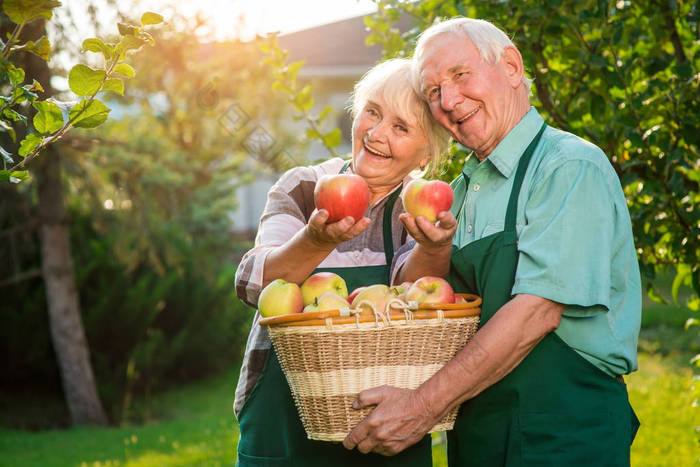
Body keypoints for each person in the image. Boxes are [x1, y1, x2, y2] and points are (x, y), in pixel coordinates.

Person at [343, 18, 641, 466]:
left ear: (511, 67)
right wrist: (433, 249)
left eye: (460, 76)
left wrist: (421, 407)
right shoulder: (459, 192)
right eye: (433, 92)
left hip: (561, 431)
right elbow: (414, 296)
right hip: (478, 429)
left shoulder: (568, 167)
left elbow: (536, 313)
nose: (449, 100)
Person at [233, 58, 450, 466]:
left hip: (385, 426)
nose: (377, 132)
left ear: (425, 156)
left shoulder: (416, 210)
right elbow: (252, 286)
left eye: (401, 127)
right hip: (284, 427)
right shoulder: (305, 187)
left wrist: (434, 248)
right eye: (372, 111)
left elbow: (417, 297)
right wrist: (315, 241)